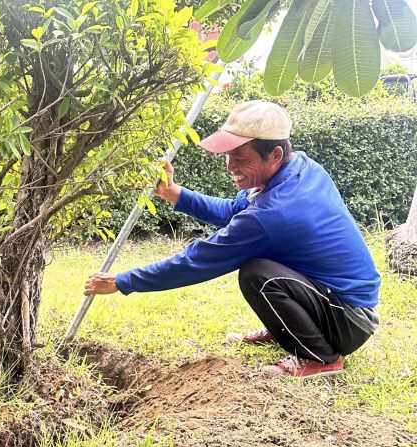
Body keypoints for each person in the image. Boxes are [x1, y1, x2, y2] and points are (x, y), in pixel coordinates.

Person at [84, 100, 380, 378]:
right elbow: (233, 210)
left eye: (240, 157)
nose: (229, 166)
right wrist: (175, 194)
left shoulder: (275, 212)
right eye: (228, 155)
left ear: (275, 155)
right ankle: (286, 330)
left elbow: (198, 261)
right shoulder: (297, 168)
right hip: (337, 300)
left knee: (258, 274)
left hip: (349, 319)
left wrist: (123, 281)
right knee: (263, 267)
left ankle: (319, 357)